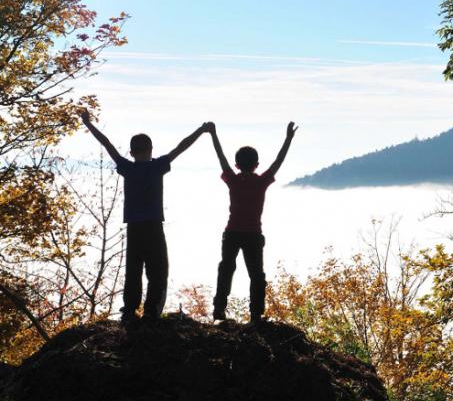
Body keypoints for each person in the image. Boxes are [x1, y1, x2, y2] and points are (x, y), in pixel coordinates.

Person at [80, 110, 211, 323]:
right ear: (151, 150)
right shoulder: (157, 166)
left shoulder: (127, 167)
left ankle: (130, 311)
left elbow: (107, 144)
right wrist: (202, 130)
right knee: (158, 270)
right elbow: (182, 146)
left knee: (133, 270)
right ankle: (151, 312)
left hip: (134, 227)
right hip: (153, 226)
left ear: (131, 152)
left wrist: (88, 124)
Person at [209, 121, 298, 323]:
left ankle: (219, 310)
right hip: (253, 235)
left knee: (226, 269)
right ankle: (256, 315)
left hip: (231, 233)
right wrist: (288, 139)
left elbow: (221, 157)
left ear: (237, 165)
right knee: (257, 275)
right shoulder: (261, 182)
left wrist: (213, 134)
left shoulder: (233, 179)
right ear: (256, 165)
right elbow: (278, 161)